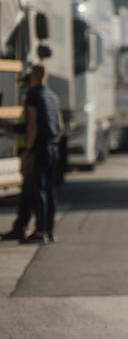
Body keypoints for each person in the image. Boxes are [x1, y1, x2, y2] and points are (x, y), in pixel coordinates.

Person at [16, 65, 62, 243]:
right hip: (53, 147)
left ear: (34, 77)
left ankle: (39, 231)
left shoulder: (33, 95)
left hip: (40, 148)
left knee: (39, 190)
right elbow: (60, 126)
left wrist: (28, 149)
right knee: (50, 190)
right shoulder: (53, 96)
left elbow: (32, 126)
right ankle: (50, 231)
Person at [0, 73, 38, 242]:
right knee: (29, 193)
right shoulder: (38, 99)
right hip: (30, 150)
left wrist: (27, 150)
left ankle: (23, 227)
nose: (21, 88)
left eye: (24, 84)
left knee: (30, 193)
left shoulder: (33, 99)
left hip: (29, 152)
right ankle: (22, 227)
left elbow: (29, 128)